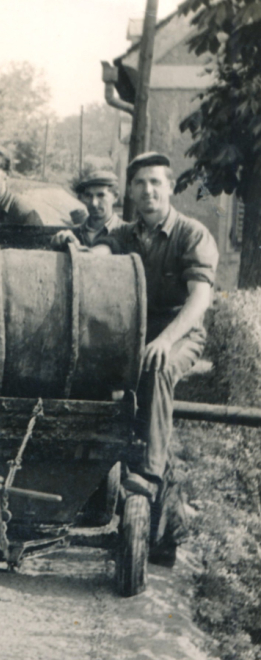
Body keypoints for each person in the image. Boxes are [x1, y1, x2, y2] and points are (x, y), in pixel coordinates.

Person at [90, 151, 218, 567]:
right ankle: (98, 491)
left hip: (180, 334)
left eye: (156, 183)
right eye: (141, 184)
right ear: (130, 192)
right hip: (134, 336)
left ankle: (149, 474)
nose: (148, 191)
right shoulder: (124, 235)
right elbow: (99, 259)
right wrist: (76, 249)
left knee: (158, 369)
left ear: (169, 187)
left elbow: (199, 300)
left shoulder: (191, 234)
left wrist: (165, 339)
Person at [53, 169, 123, 248]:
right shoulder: (74, 234)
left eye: (100, 195)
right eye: (88, 196)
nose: (94, 203)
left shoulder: (127, 234)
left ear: (115, 197)